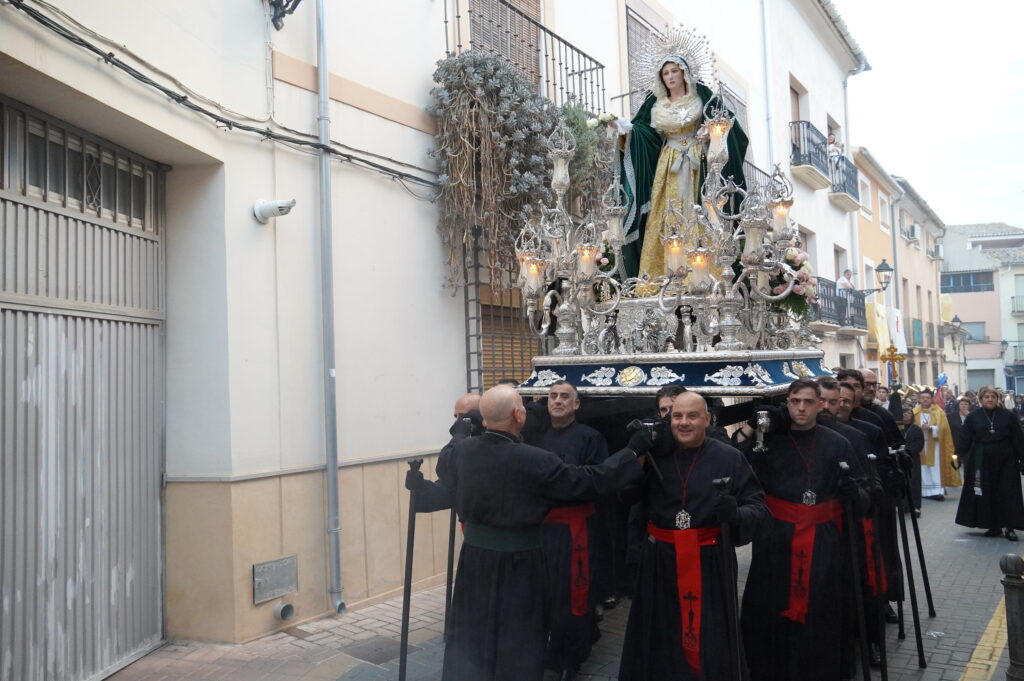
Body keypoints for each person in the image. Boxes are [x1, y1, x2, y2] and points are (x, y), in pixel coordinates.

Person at [420, 384, 650, 681]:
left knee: (474, 626)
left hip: (475, 561)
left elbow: (445, 467)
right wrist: (632, 451)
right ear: (519, 415)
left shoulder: (461, 452)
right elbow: (589, 481)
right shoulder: (535, 460)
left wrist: (460, 432)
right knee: (517, 634)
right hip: (519, 564)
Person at [619, 391, 767, 681]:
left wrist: (736, 514)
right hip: (659, 562)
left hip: (710, 562)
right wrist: (636, 457)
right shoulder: (655, 453)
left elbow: (758, 506)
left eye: (692, 416)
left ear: (707, 419)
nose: (683, 422)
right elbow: (627, 496)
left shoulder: (729, 457)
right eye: (677, 416)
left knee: (709, 638)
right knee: (659, 637)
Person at [739, 379, 863, 681]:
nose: (801, 408)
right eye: (795, 401)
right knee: (772, 604)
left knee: (821, 606)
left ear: (820, 405)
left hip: (822, 540)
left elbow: (865, 489)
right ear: (787, 404)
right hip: (775, 539)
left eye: (808, 402)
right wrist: (752, 426)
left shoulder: (838, 443)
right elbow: (736, 457)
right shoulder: (768, 440)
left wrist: (855, 493)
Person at [615, 40, 748, 279]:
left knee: (699, 210)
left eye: (674, 71)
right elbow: (645, 134)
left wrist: (713, 131)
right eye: (665, 73)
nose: (670, 76)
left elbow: (726, 122)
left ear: (684, 73)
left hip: (697, 160)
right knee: (666, 212)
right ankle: (662, 274)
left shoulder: (701, 96)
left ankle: (703, 272)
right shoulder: (655, 104)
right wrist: (628, 131)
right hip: (668, 164)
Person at [526, 381, 610, 680]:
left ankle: (570, 657)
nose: (557, 401)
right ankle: (542, 652)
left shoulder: (591, 437)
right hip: (539, 528)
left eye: (564, 397)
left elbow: (598, 480)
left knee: (572, 593)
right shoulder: (534, 437)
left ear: (576, 404)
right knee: (541, 593)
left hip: (575, 531)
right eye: (553, 396)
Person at [954, 386, 1024, 541]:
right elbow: (965, 438)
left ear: (997, 399)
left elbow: (1018, 438)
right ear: (981, 399)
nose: (990, 399)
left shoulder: (1008, 416)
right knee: (987, 491)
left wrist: (1022, 458)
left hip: (1006, 459)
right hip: (982, 459)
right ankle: (994, 525)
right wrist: (957, 456)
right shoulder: (973, 417)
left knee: (1008, 492)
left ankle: (1010, 526)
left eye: (993, 397)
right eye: (986, 397)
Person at [913, 389, 960, 500]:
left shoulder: (939, 412)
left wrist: (931, 428)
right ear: (919, 399)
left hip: (935, 445)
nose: (925, 400)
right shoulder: (914, 412)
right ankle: (923, 491)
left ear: (932, 399)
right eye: (923, 397)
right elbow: (909, 427)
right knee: (922, 468)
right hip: (920, 445)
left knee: (935, 468)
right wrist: (918, 428)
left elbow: (944, 429)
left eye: (927, 398)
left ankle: (937, 491)